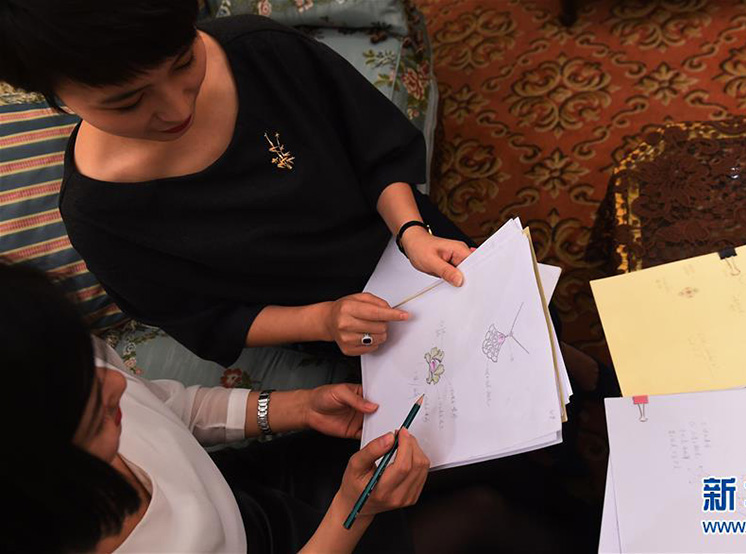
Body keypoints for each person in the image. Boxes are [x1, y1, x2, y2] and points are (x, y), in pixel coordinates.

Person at [0, 0, 474, 366]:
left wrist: (411, 232)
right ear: (53, 96)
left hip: (406, 237)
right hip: (337, 322)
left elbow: (373, 145)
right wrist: (326, 320)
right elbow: (206, 319)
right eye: (128, 102)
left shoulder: (262, 50)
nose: (178, 108)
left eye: (184, 62)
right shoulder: (99, 216)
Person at [0, 262, 431, 553]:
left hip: (238, 492)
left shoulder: (39, 358)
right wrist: (353, 512)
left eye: (92, 359)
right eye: (88, 403)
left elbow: (166, 408)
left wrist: (300, 408)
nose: (115, 382)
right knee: (464, 516)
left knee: (441, 452)